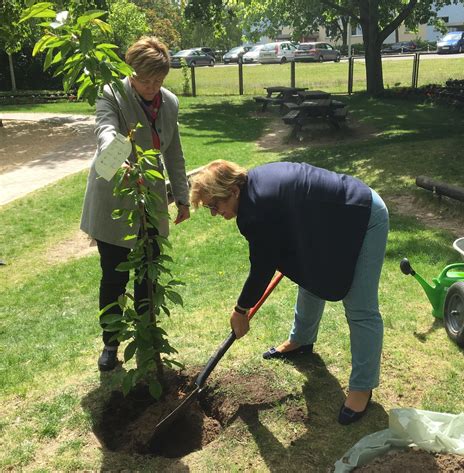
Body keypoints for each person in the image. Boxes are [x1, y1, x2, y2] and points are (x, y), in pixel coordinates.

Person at [190, 160, 389, 425]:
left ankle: (362, 387)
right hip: (328, 221)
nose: (215, 213)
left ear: (233, 191)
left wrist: (241, 310)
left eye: (215, 205)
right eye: (210, 209)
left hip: (361, 216)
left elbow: (262, 267)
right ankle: (302, 340)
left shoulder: (256, 209)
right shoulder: (253, 189)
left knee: (360, 307)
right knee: (310, 272)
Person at [81, 37, 190, 372]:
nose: (152, 87)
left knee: (148, 275)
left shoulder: (169, 102)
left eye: (158, 80)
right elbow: (105, 132)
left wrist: (183, 197)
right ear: (131, 71)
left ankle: (147, 340)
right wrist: (120, 159)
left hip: (151, 197)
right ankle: (110, 344)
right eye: (145, 80)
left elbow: (173, 152)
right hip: (115, 191)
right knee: (114, 277)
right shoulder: (111, 93)